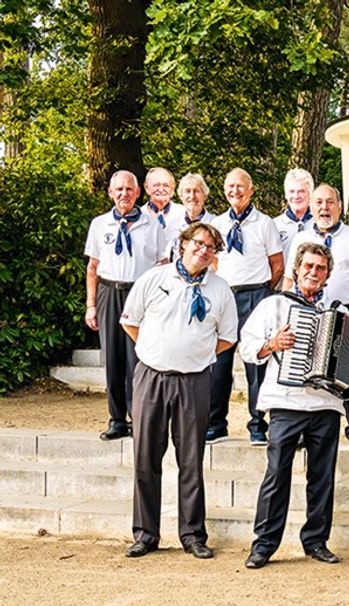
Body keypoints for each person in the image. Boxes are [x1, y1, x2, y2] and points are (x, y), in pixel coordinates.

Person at [239, 243, 349, 569]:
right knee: (276, 475)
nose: (313, 272)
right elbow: (246, 347)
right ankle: (263, 545)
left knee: (322, 477)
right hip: (285, 402)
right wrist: (271, 344)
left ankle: (316, 541)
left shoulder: (341, 312)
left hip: (326, 405)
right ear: (296, 269)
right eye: (308, 266)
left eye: (320, 268)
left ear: (328, 275)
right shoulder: (273, 304)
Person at [119, 223, 238, 558]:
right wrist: (156, 351)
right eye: (198, 243)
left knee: (190, 460)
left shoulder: (220, 290)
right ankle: (145, 534)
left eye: (211, 246)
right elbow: (130, 321)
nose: (204, 250)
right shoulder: (154, 279)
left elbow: (228, 337)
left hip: (193, 381)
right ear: (183, 244)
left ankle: (193, 535)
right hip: (151, 378)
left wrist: (196, 355)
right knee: (145, 457)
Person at [283, 183, 349, 452]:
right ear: (311, 207)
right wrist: (283, 307)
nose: (324, 208)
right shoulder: (301, 238)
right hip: (309, 309)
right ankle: (305, 428)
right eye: (319, 203)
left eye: (330, 202)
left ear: (339, 206)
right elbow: (290, 277)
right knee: (310, 368)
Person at [84, 170, 168, 441]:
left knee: (138, 357)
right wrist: (91, 305)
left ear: (138, 193)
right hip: (110, 291)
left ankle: (139, 418)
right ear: (110, 192)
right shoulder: (99, 224)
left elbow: (162, 266)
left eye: (129, 190)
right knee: (112, 358)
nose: (124, 194)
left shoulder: (153, 225)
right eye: (119, 189)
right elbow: (92, 268)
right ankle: (116, 419)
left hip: (139, 294)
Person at [208, 168, 284, 446]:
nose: (235, 191)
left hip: (256, 296)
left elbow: (277, 265)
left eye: (241, 186)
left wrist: (264, 294)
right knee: (219, 363)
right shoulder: (217, 222)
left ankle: (257, 424)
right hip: (226, 297)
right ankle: (216, 424)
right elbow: (214, 262)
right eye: (230, 186)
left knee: (257, 363)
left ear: (251, 190)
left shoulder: (264, 223)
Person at [165, 173, 214, 259]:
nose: (192, 196)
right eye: (187, 191)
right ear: (181, 196)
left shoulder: (216, 224)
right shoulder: (171, 225)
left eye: (196, 191)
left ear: (205, 195)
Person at [273, 168, 315, 269]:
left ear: (310, 194)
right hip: (283, 283)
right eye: (291, 191)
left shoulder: (319, 224)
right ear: (286, 195)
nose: (296, 196)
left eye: (301, 191)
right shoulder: (273, 225)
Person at [143, 167, 188, 251]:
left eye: (165, 185)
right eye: (156, 185)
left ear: (172, 190)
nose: (160, 189)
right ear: (147, 188)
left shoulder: (185, 214)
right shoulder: (138, 216)